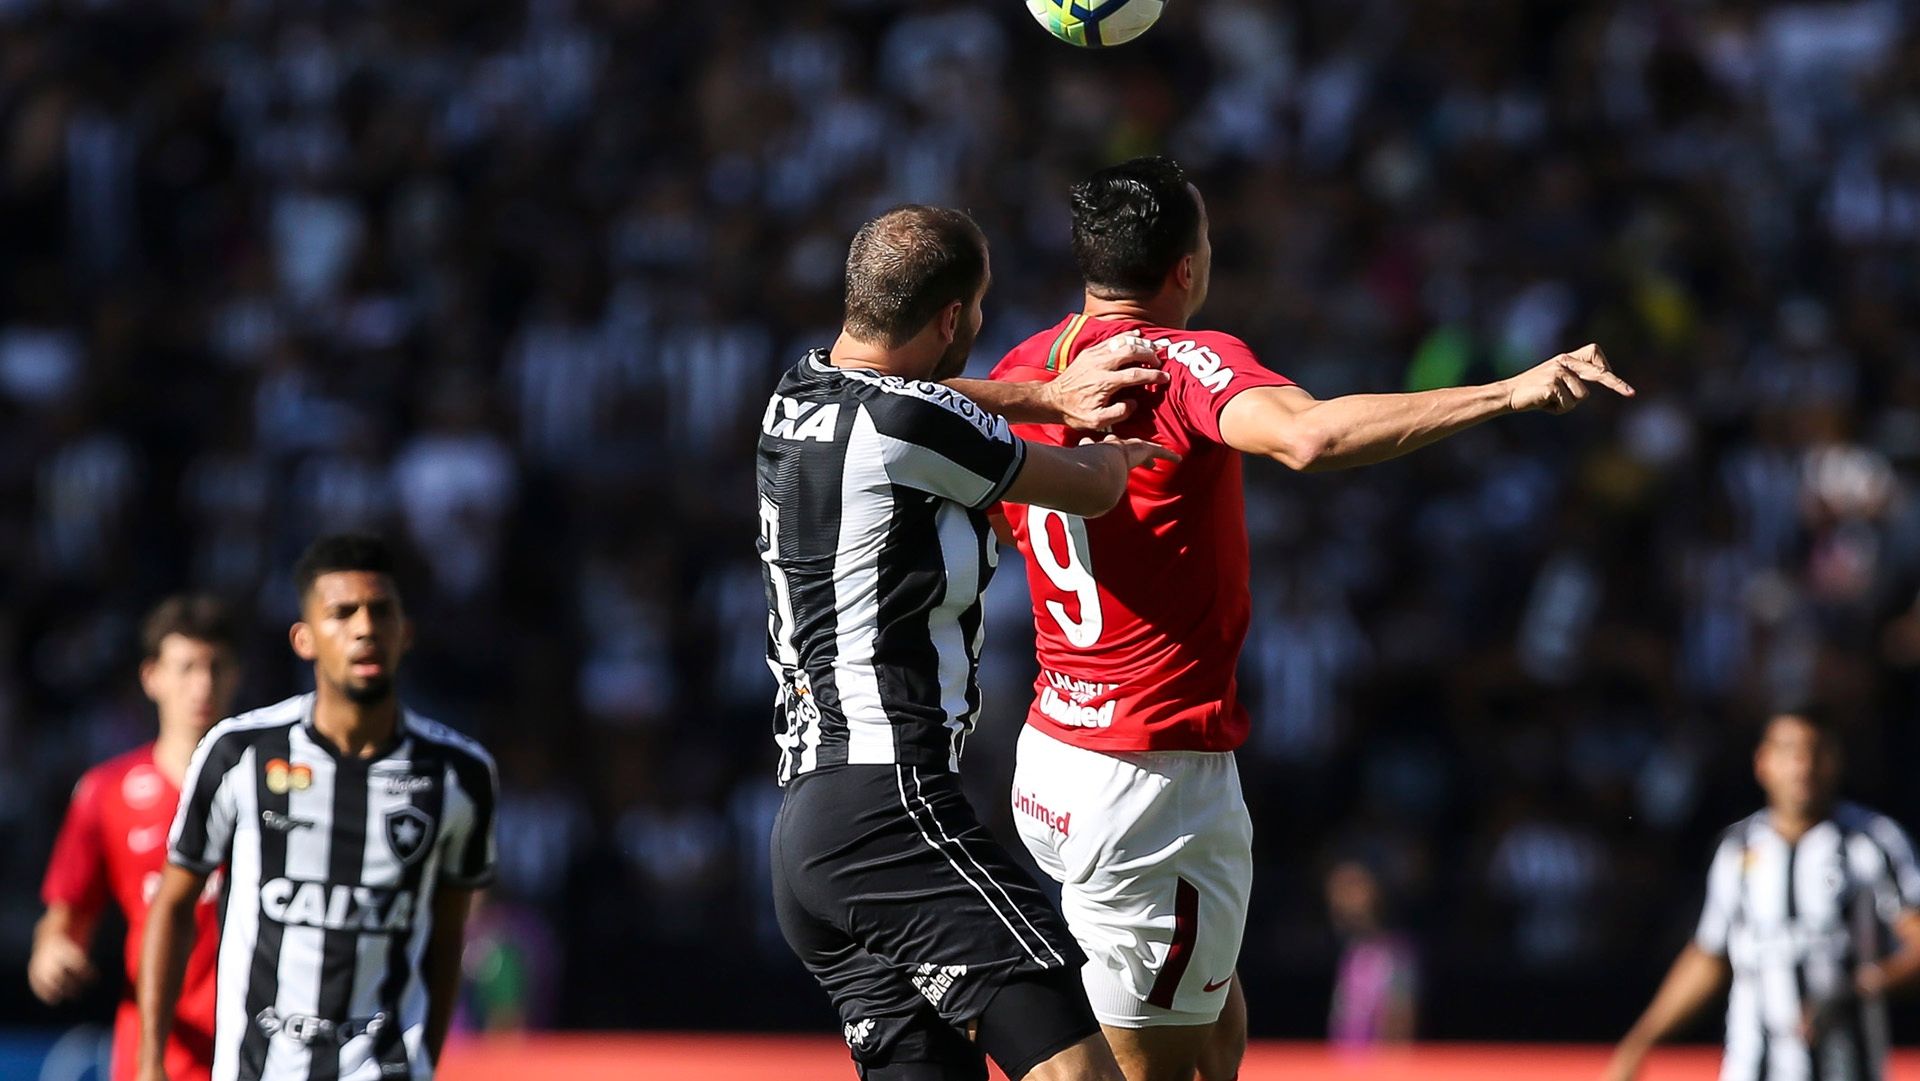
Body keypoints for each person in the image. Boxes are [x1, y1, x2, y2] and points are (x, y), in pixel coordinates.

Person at [989, 155, 1634, 1081]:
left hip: (1055, 749)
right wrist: (1511, 390)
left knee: (1214, 1032)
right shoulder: (1178, 362)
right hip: (1151, 778)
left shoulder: (1025, 369)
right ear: (1185, 267)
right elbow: (1310, 435)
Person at [759, 204, 1179, 1081]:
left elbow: (923, 402)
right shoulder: (912, 425)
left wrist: (1043, 395)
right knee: (1080, 1071)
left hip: (808, 827)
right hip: (892, 807)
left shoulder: (793, 391)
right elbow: (1091, 488)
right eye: (978, 309)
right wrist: (1109, 437)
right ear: (952, 318)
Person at [138, 534, 499, 1081]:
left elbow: (449, 935)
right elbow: (173, 904)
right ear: (304, 639)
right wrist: (150, 1063)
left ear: (405, 634)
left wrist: (426, 1059)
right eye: (342, 613)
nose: (363, 628)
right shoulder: (240, 753)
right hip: (258, 1068)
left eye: (381, 612)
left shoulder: (459, 775)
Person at [1603, 709, 1920, 1081]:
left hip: (1847, 1067)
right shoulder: (1737, 849)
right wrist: (1640, 1041)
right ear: (1763, 763)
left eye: (1815, 751)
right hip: (1751, 1069)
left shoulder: (1874, 842)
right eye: (1789, 751)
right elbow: (1709, 954)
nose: (1802, 766)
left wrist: (1857, 989)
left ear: (1835, 761)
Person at [32, 596, 243, 1081]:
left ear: (237, 674)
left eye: (216, 667)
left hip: (257, 1054)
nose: (203, 684)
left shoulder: (268, 787)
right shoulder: (106, 792)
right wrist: (52, 953)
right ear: (152, 677)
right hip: (152, 1058)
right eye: (187, 667)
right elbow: (65, 921)